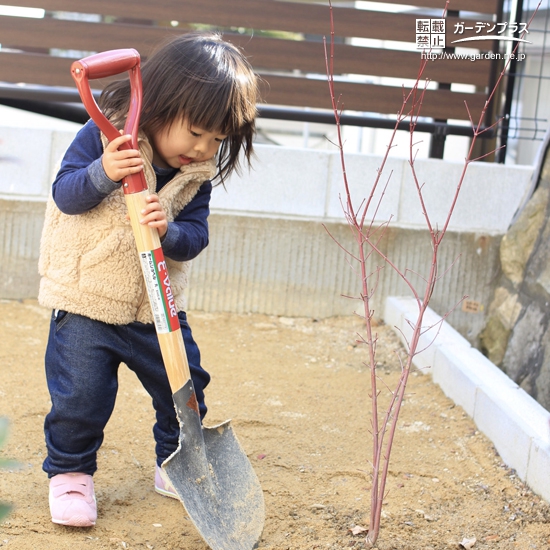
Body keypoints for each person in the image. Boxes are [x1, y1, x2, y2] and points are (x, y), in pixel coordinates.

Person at [38, 31, 259, 527]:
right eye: (197, 131)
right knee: (80, 395)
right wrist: (103, 171)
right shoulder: (103, 137)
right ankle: (71, 473)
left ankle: (175, 463)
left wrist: (170, 230)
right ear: (159, 102)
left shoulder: (194, 175)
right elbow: (65, 196)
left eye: (217, 141)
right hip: (86, 299)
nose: (203, 148)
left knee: (184, 384)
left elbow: (195, 237)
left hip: (155, 307)